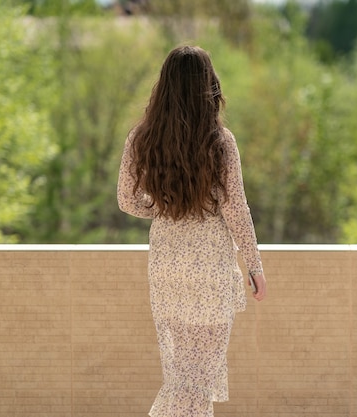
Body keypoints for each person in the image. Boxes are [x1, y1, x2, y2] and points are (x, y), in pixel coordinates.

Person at [117, 45, 267, 417]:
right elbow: (236, 209)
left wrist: (163, 206)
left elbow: (127, 200)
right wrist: (255, 265)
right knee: (195, 381)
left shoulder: (141, 139)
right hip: (209, 272)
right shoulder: (220, 142)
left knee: (184, 377)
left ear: (163, 87)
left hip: (167, 270)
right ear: (208, 85)